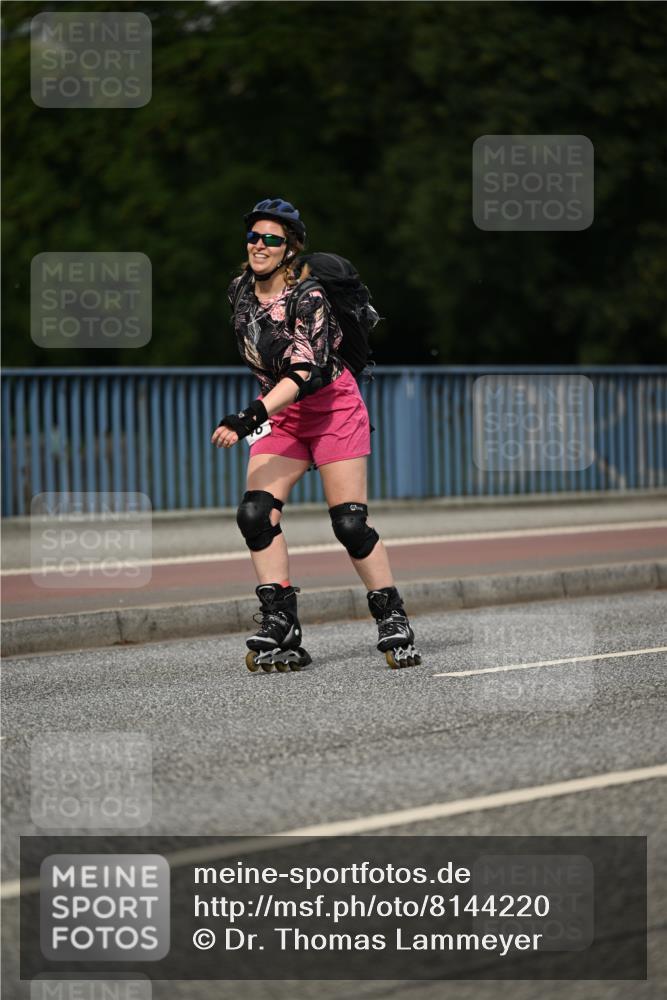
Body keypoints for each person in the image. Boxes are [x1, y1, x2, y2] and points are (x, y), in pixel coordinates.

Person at [211, 198, 421, 672]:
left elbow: (304, 371)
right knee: (254, 514)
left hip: (332, 412)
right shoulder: (239, 291)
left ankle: (392, 616)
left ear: (290, 249)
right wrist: (262, 413)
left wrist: (247, 417)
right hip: (284, 417)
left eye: (271, 239)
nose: (259, 245)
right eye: (253, 237)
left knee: (349, 524)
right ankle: (281, 621)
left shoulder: (309, 298)